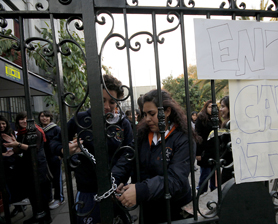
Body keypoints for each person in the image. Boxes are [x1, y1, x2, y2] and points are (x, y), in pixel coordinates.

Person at [50, 74, 133, 224]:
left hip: (116, 188)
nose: (107, 106)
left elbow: (129, 153)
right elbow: (55, 142)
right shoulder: (80, 119)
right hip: (87, 190)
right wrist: (64, 150)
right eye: (102, 101)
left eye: (112, 102)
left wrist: (116, 177)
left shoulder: (123, 123)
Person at [116, 89, 199, 223]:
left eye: (152, 114)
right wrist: (114, 180)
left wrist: (141, 190)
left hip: (175, 209)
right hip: (148, 208)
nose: (147, 119)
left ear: (167, 111)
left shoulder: (183, 138)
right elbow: (127, 159)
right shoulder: (142, 135)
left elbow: (176, 179)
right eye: (145, 114)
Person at [1, 112, 52, 224]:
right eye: (21, 119)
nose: (24, 121)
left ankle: (46, 217)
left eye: (26, 119)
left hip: (38, 166)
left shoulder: (35, 131)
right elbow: (19, 151)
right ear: (17, 121)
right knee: (32, 194)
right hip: (27, 167)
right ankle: (36, 215)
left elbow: (33, 148)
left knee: (41, 193)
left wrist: (16, 144)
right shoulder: (21, 133)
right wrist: (13, 143)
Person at [0, 115, 27, 218]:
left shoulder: (11, 133)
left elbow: (18, 148)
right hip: (3, 165)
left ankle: (19, 206)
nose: (1, 126)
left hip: (13, 163)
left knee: (15, 186)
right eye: (0, 124)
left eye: (3, 123)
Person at [38, 111, 65, 209]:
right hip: (44, 158)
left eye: (46, 116)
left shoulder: (55, 129)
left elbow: (62, 141)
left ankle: (59, 198)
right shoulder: (40, 130)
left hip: (55, 157)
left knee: (57, 178)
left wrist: (60, 155)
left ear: (50, 118)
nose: (44, 118)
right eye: (42, 116)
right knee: (47, 179)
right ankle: (50, 198)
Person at [195, 100, 220, 194]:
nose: (212, 109)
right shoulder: (201, 118)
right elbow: (197, 136)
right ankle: (201, 190)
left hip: (214, 151)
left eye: (214, 107)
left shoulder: (216, 119)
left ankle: (214, 191)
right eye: (210, 107)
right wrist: (198, 153)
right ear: (206, 108)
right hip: (204, 151)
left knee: (214, 173)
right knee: (205, 173)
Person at [219, 96, 234, 183]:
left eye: (223, 106)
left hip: (230, 166)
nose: (220, 109)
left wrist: (220, 158)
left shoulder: (230, 124)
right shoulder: (225, 123)